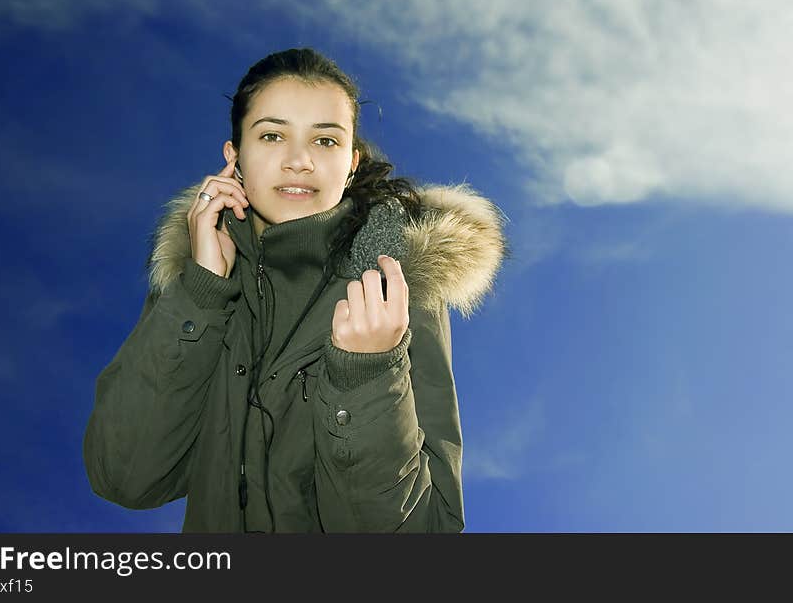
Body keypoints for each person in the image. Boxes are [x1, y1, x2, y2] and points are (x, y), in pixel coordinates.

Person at [83, 47, 508, 532]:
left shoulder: (397, 285)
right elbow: (125, 476)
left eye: (325, 141)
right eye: (271, 135)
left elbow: (429, 533)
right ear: (234, 156)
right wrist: (201, 294)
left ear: (351, 163)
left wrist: (366, 375)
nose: (299, 161)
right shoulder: (198, 285)